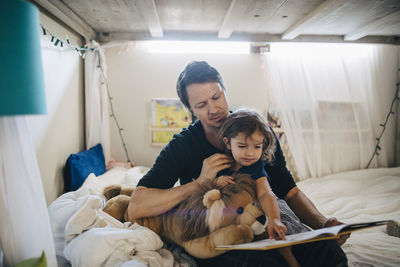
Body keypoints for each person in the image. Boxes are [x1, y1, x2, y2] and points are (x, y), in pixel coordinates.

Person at [128, 61, 348, 266]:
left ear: (225, 90)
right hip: (219, 226)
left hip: (264, 216)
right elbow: (137, 205)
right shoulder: (182, 145)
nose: (213, 109)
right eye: (202, 104)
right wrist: (200, 183)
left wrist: (323, 223)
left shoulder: (256, 131)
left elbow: (288, 190)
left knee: (328, 252)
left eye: (216, 96)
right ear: (191, 109)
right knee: (260, 262)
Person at [216, 108, 300, 267]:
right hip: (234, 216)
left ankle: (293, 263)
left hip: (258, 212)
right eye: (242, 146)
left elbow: (266, 193)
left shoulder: (255, 167)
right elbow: (208, 192)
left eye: (257, 147)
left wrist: (274, 219)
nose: (250, 153)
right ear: (228, 143)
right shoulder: (220, 165)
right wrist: (217, 182)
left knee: (278, 236)